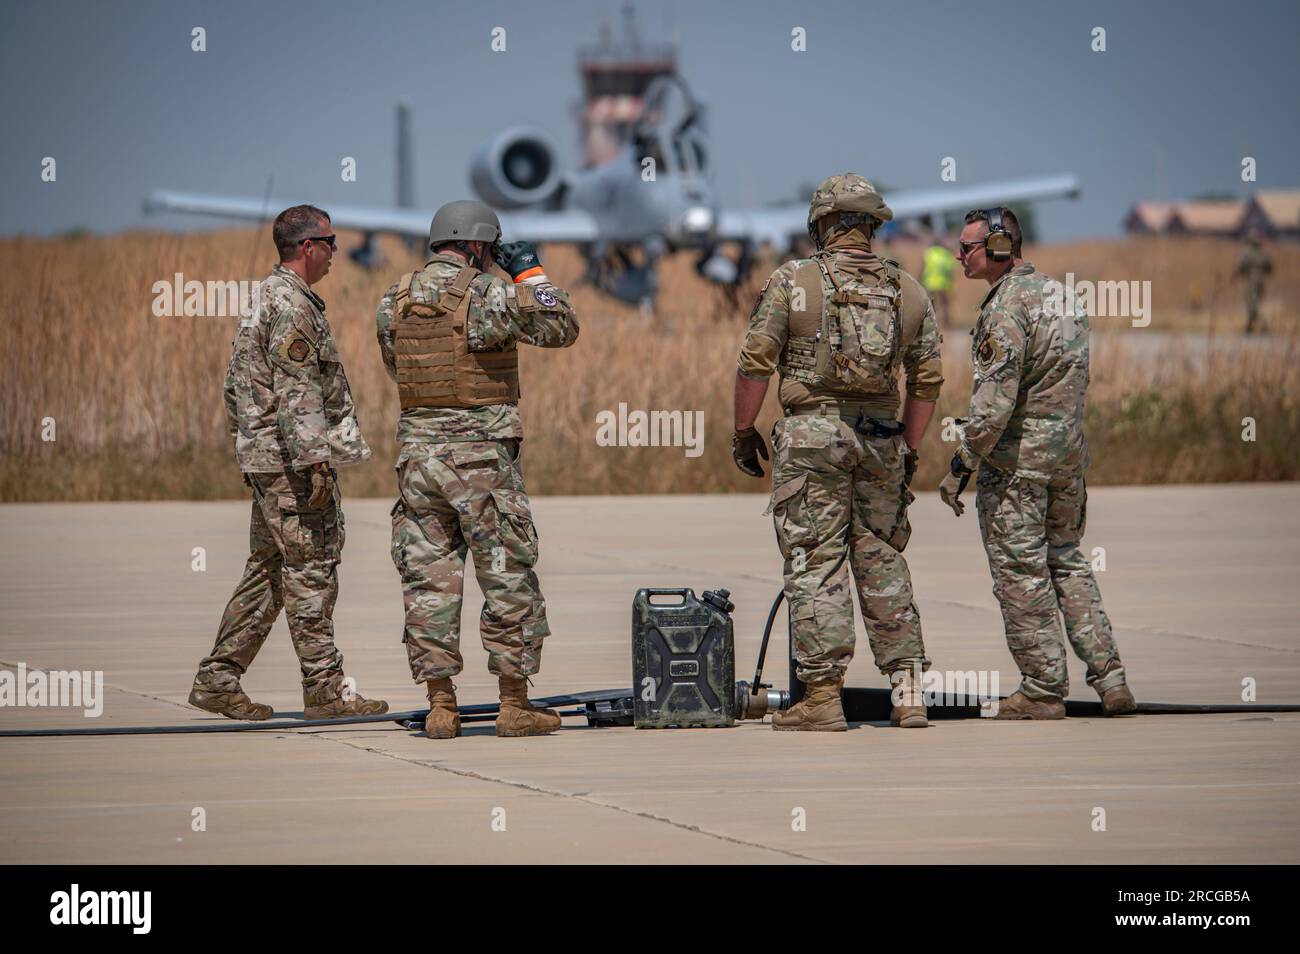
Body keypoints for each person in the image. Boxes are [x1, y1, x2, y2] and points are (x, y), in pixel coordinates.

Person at [732, 174, 943, 731]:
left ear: (822, 223)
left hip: (812, 439)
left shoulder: (793, 282)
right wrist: (910, 451)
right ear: (872, 226)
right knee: (883, 560)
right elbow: (927, 382)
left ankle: (823, 698)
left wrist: (742, 430)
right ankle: (909, 694)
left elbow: (754, 363)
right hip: (881, 440)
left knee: (816, 563)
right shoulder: (910, 289)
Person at [376, 201, 579, 739]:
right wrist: (530, 272)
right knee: (506, 575)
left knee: (430, 583)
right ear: (479, 245)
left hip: (418, 461)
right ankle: (514, 705)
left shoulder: (392, 300)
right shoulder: (489, 293)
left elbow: (396, 366)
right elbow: (561, 327)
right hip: (482, 461)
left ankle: (441, 706)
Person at [190, 205, 388, 721]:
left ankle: (219, 678)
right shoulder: (292, 306)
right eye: (331, 241)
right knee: (312, 569)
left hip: (269, 459)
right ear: (308, 247)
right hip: (291, 466)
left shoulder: (268, 297)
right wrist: (315, 462)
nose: (336, 252)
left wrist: (257, 448)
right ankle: (324, 689)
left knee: (270, 570)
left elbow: (236, 388)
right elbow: (297, 391)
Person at [941, 207, 1135, 719]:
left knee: (1020, 573)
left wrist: (961, 462)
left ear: (1001, 248)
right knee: (1068, 562)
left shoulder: (1005, 308)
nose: (958, 255)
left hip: (1019, 466)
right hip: (1066, 459)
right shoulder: (1064, 296)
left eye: (969, 248)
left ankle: (1043, 690)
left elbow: (995, 403)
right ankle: (1111, 679)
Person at [1235, 232, 1272, 334]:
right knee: (1254, 302)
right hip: (1261, 280)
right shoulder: (1264, 254)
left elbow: (1240, 267)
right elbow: (1269, 268)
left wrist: (1237, 275)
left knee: (1252, 303)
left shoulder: (1246, 253)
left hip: (1252, 280)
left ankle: (1264, 324)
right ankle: (1249, 326)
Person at [920, 235, 957, 329]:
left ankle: (931, 323)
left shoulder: (929, 253)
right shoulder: (947, 254)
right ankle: (946, 323)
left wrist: (919, 279)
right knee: (944, 305)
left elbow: (923, 267)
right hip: (944, 283)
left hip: (930, 283)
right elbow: (950, 271)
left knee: (931, 304)